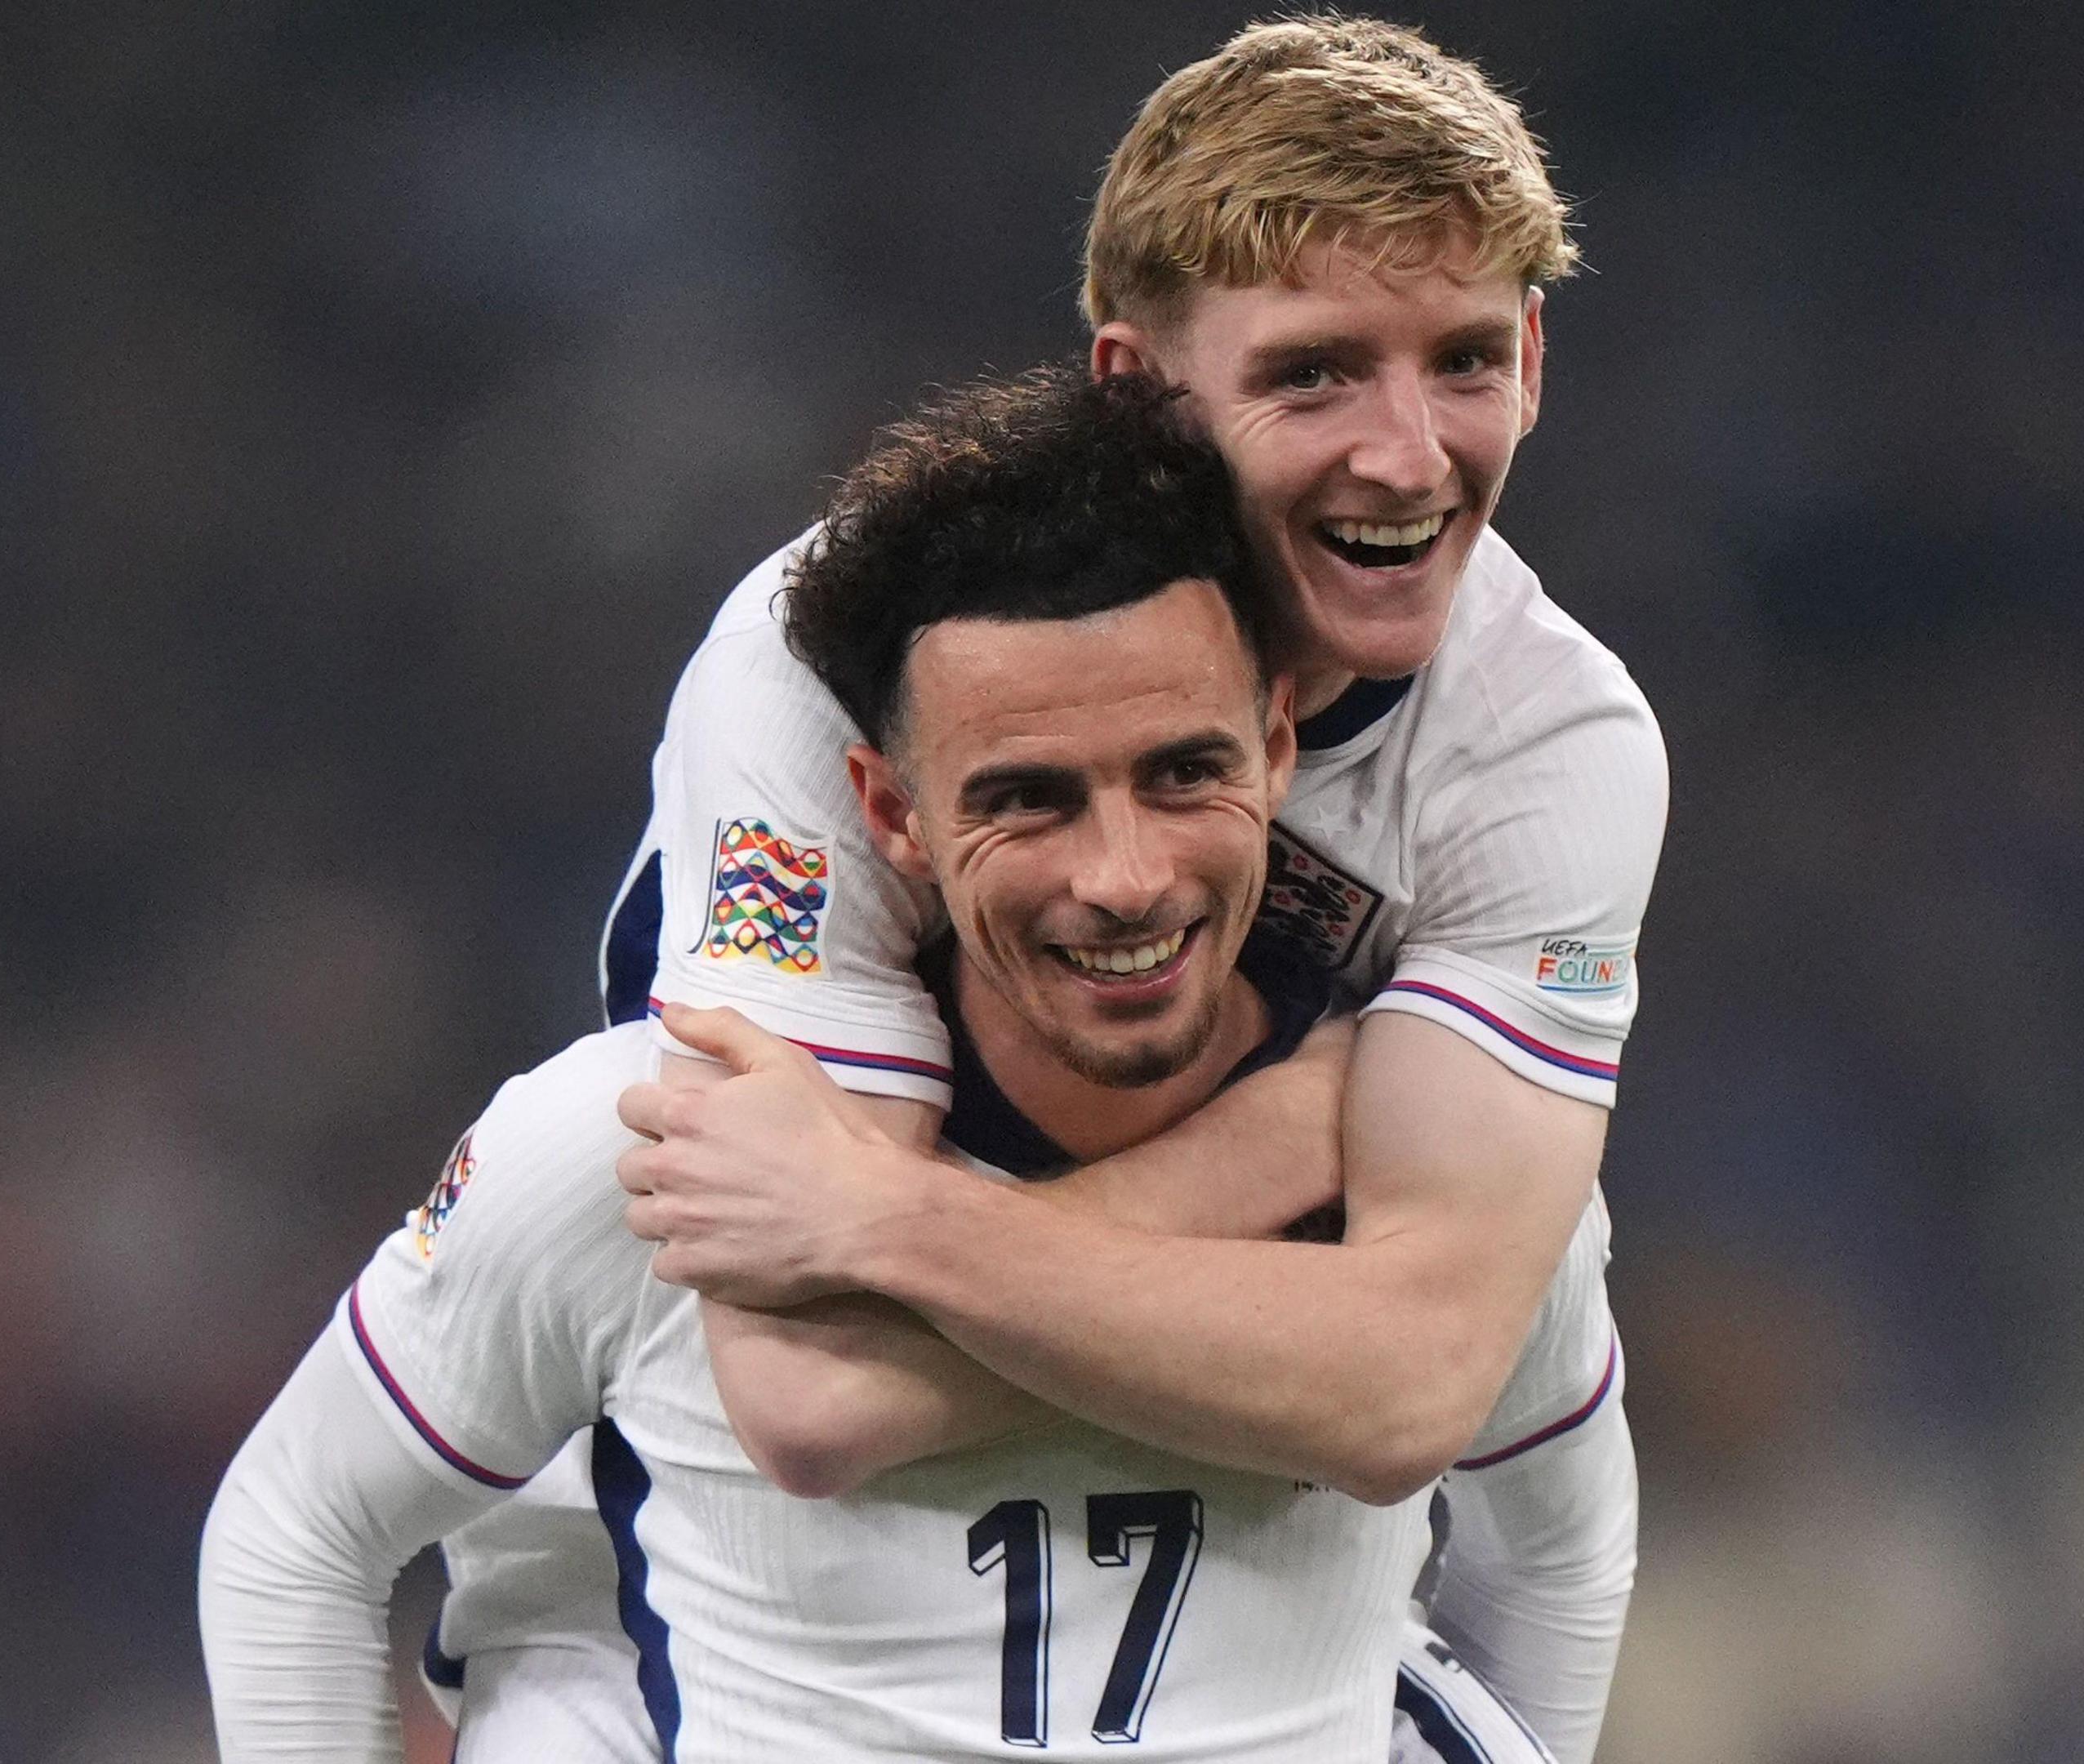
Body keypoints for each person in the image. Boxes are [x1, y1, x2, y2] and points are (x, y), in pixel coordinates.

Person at [200, 370, 1629, 1762]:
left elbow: (1556, 1554)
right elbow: (298, 1535)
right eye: (1028, 800)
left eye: (1183, 773)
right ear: (891, 811)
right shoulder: (653, 1151)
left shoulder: (1443, 1171)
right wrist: (1244, 1178)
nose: (1123, 878)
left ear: (1273, 750)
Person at [611, 20, 1660, 1757]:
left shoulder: (1550, 745)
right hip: (779, 1585)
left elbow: (1409, 1394)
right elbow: (809, 1397)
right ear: (1134, 385)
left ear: (1537, 354)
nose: (1407, 457)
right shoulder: (834, 669)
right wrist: (1306, 1129)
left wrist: (896, 1225)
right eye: (1314, 375)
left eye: (1466, 360)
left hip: (1237, 1559)